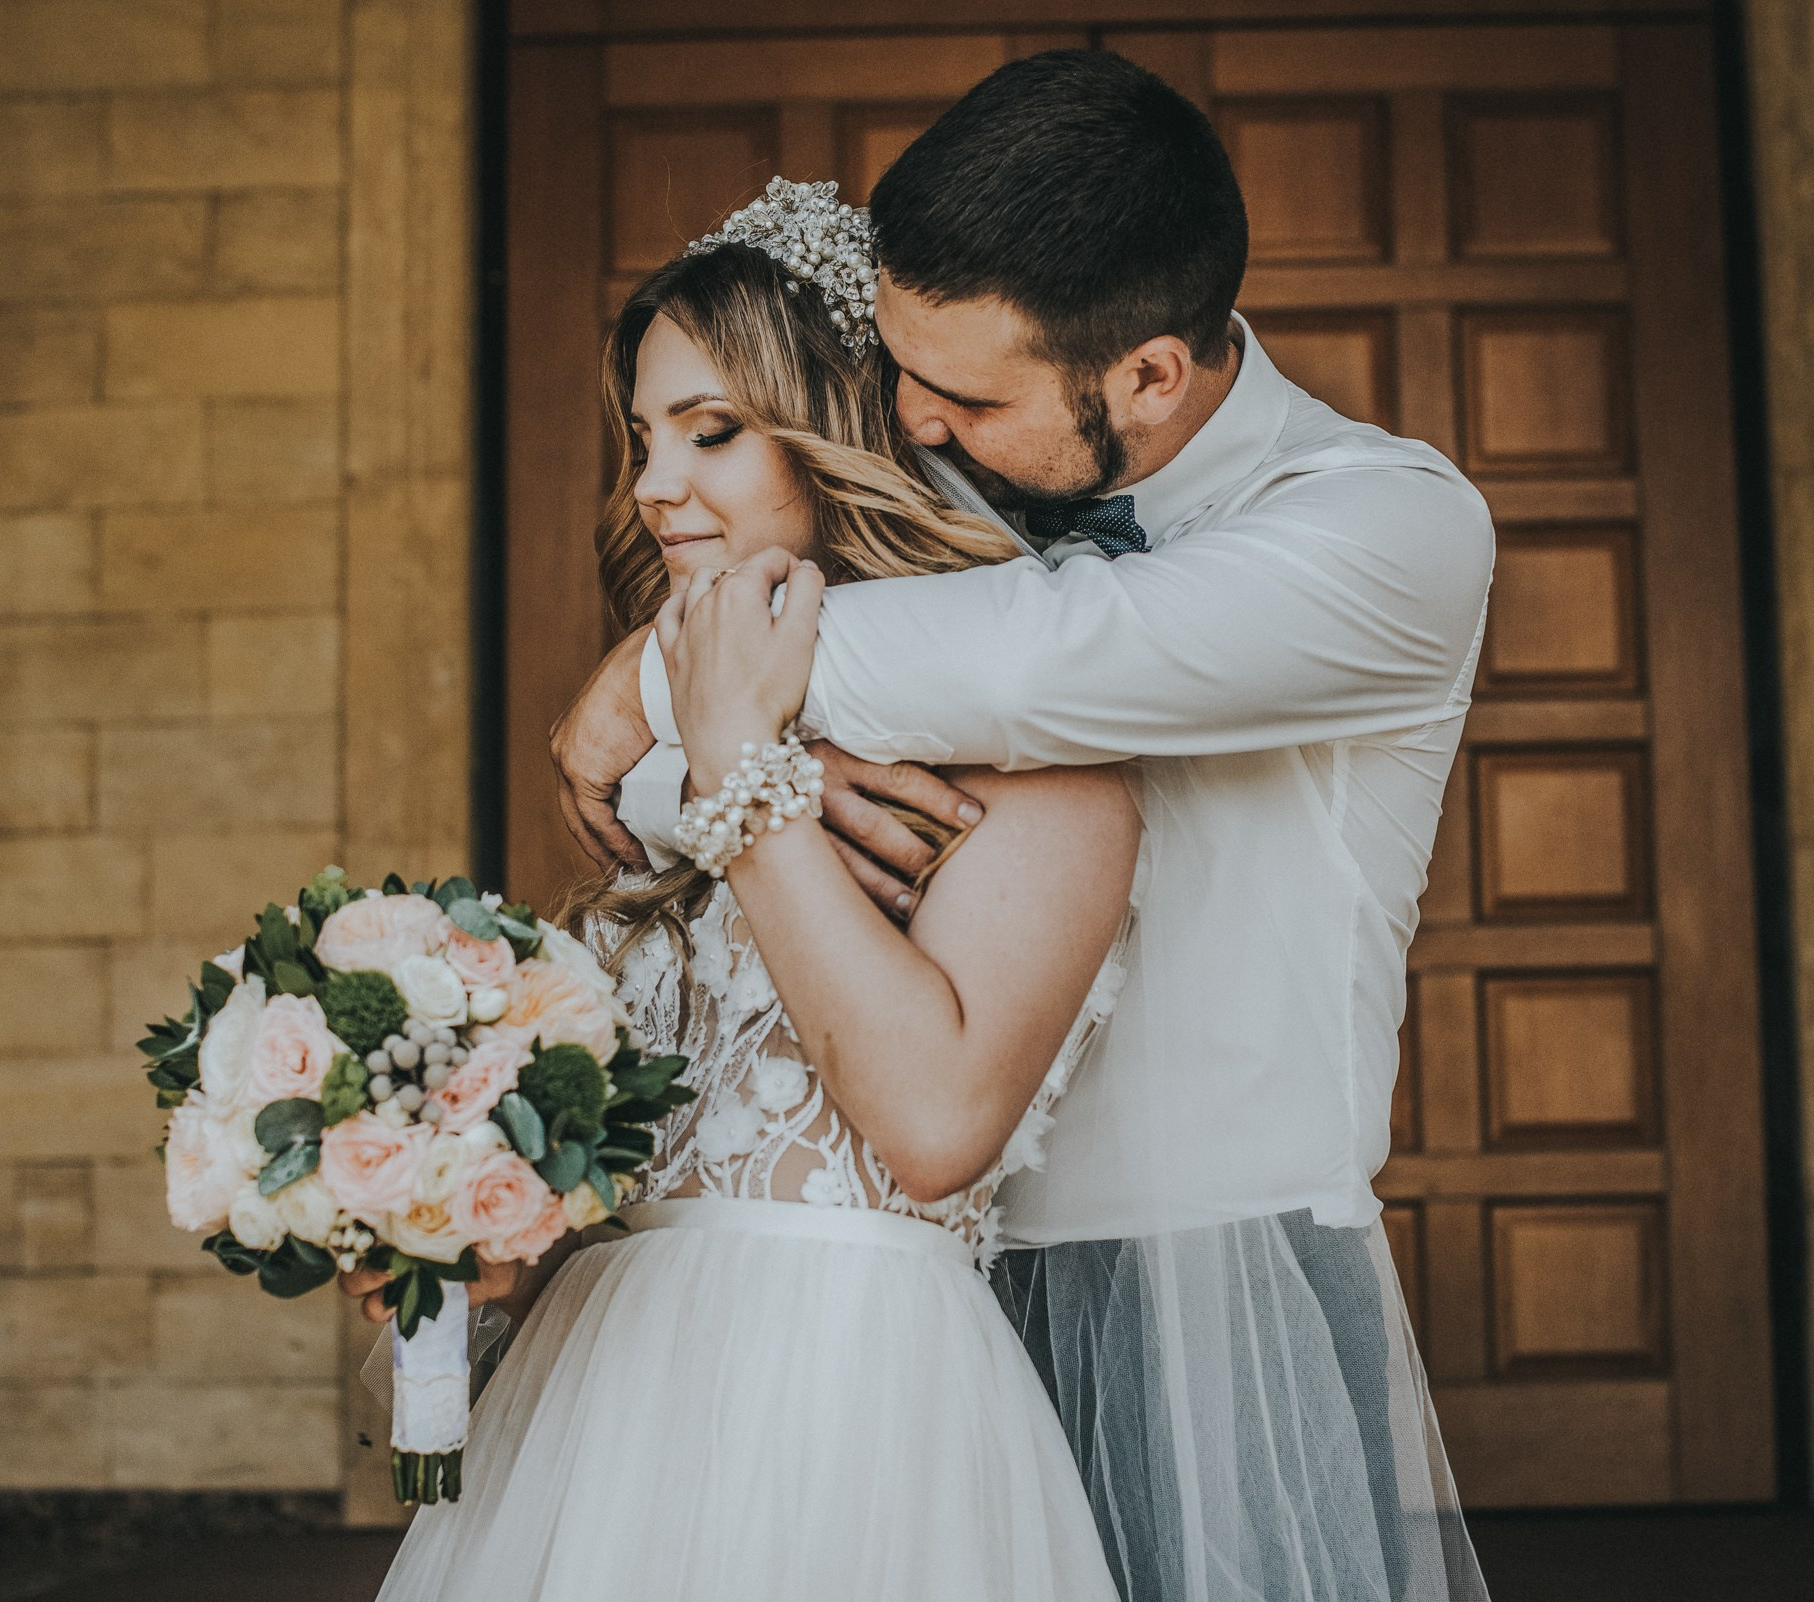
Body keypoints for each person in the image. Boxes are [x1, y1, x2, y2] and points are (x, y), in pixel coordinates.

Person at [551, 51, 1497, 1602]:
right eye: (903, 372)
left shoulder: (1389, 531)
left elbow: (1049, 661)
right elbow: (692, 796)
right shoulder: (971, 466)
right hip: (913, 1301)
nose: (910, 420)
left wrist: (662, 674)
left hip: (1210, 1284)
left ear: (1149, 375)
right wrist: (685, 744)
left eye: (963, 395)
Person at [352, 183, 1137, 1601]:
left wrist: (737, 771)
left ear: (845, 432)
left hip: (848, 1416)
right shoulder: (656, 789)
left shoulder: (1040, 776)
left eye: (712, 432)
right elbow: (654, 1163)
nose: (654, 487)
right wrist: (471, 1228)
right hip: (591, 1424)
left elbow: (935, 1123)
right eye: (644, 439)